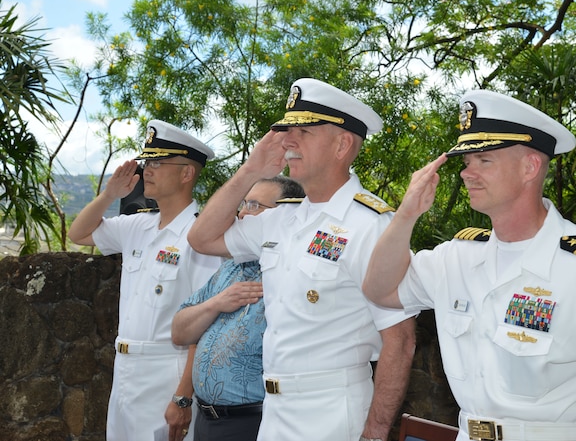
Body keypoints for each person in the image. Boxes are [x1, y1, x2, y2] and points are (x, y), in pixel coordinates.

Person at [362, 89, 576, 441]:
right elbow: (381, 291)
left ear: (530, 167)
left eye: (484, 161)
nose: (466, 174)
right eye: (466, 162)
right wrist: (406, 215)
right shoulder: (457, 257)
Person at [187, 78, 417, 441]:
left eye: (303, 131)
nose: (288, 140)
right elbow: (201, 238)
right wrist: (251, 170)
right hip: (275, 411)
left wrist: (373, 434)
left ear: (342, 144)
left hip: (331, 411)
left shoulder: (372, 225)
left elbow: (400, 340)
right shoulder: (281, 218)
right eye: (287, 131)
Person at [68, 120, 223, 441]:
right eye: (147, 162)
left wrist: (183, 396)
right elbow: (78, 233)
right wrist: (110, 194)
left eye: (158, 162)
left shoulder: (199, 236)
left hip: (166, 372)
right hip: (125, 369)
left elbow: (207, 321)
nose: (147, 170)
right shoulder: (138, 226)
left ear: (186, 174)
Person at [171, 175, 305, 441]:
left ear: (284, 215)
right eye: (243, 204)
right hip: (207, 420)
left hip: (254, 422)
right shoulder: (231, 267)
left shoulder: (291, 274)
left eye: (255, 206)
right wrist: (216, 304)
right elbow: (179, 332)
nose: (242, 213)